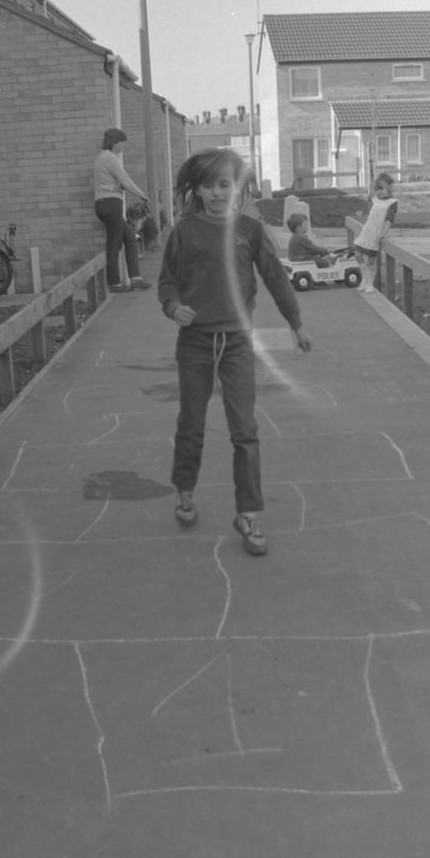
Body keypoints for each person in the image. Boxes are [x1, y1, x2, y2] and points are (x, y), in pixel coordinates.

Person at [157, 148, 312, 556]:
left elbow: (276, 278)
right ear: (197, 190)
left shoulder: (251, 230)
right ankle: (186, 489)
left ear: (238, 186)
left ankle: (248, 512)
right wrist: (174, 307)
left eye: (224, 184)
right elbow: (167, 282)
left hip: (238, 345)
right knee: (191, 422)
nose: (215, 192)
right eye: (207, 185)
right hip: (195, 344)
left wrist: (295, 324)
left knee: (245, 431)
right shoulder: (185, 232)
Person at [93, 128, 152, 292]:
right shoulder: (110, 158)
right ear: (115, 142)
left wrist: (118, 186)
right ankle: (114, 283)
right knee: (114, 242)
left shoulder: (100, 159)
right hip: (112, 203)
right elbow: (125, 181)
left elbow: (112, 182)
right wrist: (142, 195)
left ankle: (135, 278)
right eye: (122, 143)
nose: (122, 147)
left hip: (102, 203)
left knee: (129, 238)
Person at [352, 172, 398, 292]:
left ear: (388, 188)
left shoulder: (392, 203)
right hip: (367, 230)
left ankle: (370, 284)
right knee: (357, 253)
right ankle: (364, 279)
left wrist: (382, 234)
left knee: (371, 260)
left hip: (377, 233)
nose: (379, 192)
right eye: (377, 189)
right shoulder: (375, 200)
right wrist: (361, 213)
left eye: (381, 189)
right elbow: (369, 211)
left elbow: (389, 220)